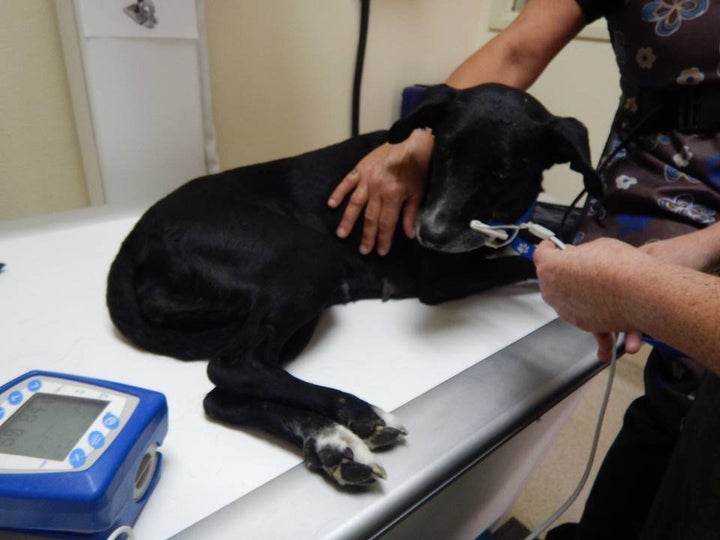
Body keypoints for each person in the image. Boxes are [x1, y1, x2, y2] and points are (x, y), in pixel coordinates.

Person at [328, 0, 720, 538]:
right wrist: (413, 144)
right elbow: (516, 48)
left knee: (693, 405)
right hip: (664, 172)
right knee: (671, 404)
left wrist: (668, 275)